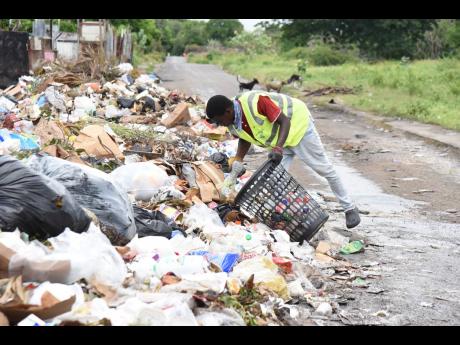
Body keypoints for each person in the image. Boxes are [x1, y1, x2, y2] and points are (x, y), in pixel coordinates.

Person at [205, 91, 361, 229]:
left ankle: (349, 208)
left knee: (324, 170)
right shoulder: (231, 121)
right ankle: (277, 217)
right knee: (274, 181)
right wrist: (238, 158)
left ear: (228, 111)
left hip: (299, 128)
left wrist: (278, 148)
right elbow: (244, 138)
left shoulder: (255, 102)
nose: (219, 125)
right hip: (280, 141)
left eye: (219, 121)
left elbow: (285, 121)